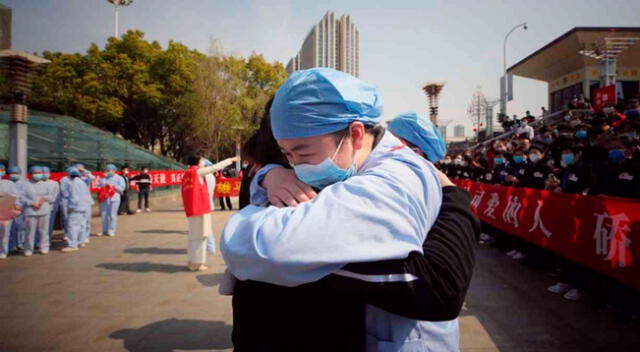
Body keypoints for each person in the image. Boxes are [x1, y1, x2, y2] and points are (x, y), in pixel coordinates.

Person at [221, 68, 462, 350]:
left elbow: (264, 245)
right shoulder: (281, 175)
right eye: (288, 154)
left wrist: (456, 201)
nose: (298, 164)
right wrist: (268, 174)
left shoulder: (385, 182)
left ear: (356, 134)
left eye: (303, 152)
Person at [182, 155, 237, 272]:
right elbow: (215, 167)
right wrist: (230, 160)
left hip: (192, 209)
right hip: (200, 209)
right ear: (197, 162)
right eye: (202, 160)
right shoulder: (197, 172)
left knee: (193, 237)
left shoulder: (188, 173)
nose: (203, 162)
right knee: (201, 237)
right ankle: (198, 263)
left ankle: (192, 261)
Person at [20, 166, 53, 256]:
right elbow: (21, 197)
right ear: (30, 174)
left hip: (44, 210)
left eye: (39, 173)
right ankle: (28, 249)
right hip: (30, 211)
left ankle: (44, 247)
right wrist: (31, 203)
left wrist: (44, 199)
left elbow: (51, 196)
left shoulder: (45, 184)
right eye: (35, 173)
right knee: (29, 231)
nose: (37, 175)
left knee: (44, 231)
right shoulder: (25, 184)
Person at [60, 167, 92, 252]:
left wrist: (71, 208)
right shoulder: (82, 182)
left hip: (76, 208)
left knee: (72, 226)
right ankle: (81, 241)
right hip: (83, 207)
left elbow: (74, 198)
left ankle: (72, 245)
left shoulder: (74, 183)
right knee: (81, 225)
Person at [97, 164, 125, 237]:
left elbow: (122, 188)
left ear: (114, 171)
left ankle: (112, 230)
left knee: (112, 215)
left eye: (108, 170)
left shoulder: (119, 178)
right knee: (104, 215)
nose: (107, 171)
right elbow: (99, 186)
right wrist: (103, 182)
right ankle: (104, 230)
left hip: (114, 199)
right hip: (105, 198)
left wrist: (113, 186)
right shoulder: (104, 178)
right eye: (106, 170)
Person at [0, 164, 21, 259]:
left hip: (5, 209)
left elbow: (14, 196)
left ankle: (3, 251)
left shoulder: (8, 183)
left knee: (5, 232)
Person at [41, 167, 60, 241]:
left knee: (49, 225)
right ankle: (38, 241)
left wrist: (47, 199)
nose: (44, 174)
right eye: (42, 173)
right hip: (38, 207)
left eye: (46, 173)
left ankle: (47, 240)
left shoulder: (54, 183)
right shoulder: (37, 183)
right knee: (39, 226)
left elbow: (56, 196)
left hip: (51, 207)